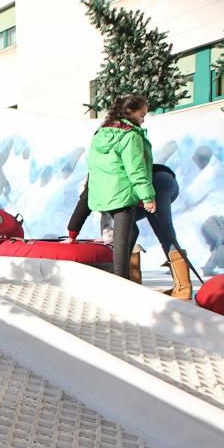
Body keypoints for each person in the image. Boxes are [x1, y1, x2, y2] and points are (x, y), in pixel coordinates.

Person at [67, 165, 190, 297]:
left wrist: (72, 235)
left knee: (164, 233)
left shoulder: (96, 182)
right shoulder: (107, 181)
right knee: (125, 226)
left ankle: (184, 288)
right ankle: (132, 277)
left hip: (155, 184)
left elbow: (83, 205)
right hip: (156, 183)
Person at [86, 94, 156, 282]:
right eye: (142, 114)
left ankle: (117, 274)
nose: (143, 119)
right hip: (123, 193)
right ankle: (120, 281)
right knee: (122, 239)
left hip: (104, 193)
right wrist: (147, 196)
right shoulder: (130, 135)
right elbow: (136, 168)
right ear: (130, 112)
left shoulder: (102, 132)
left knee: (132, 232)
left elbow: (94, 165)